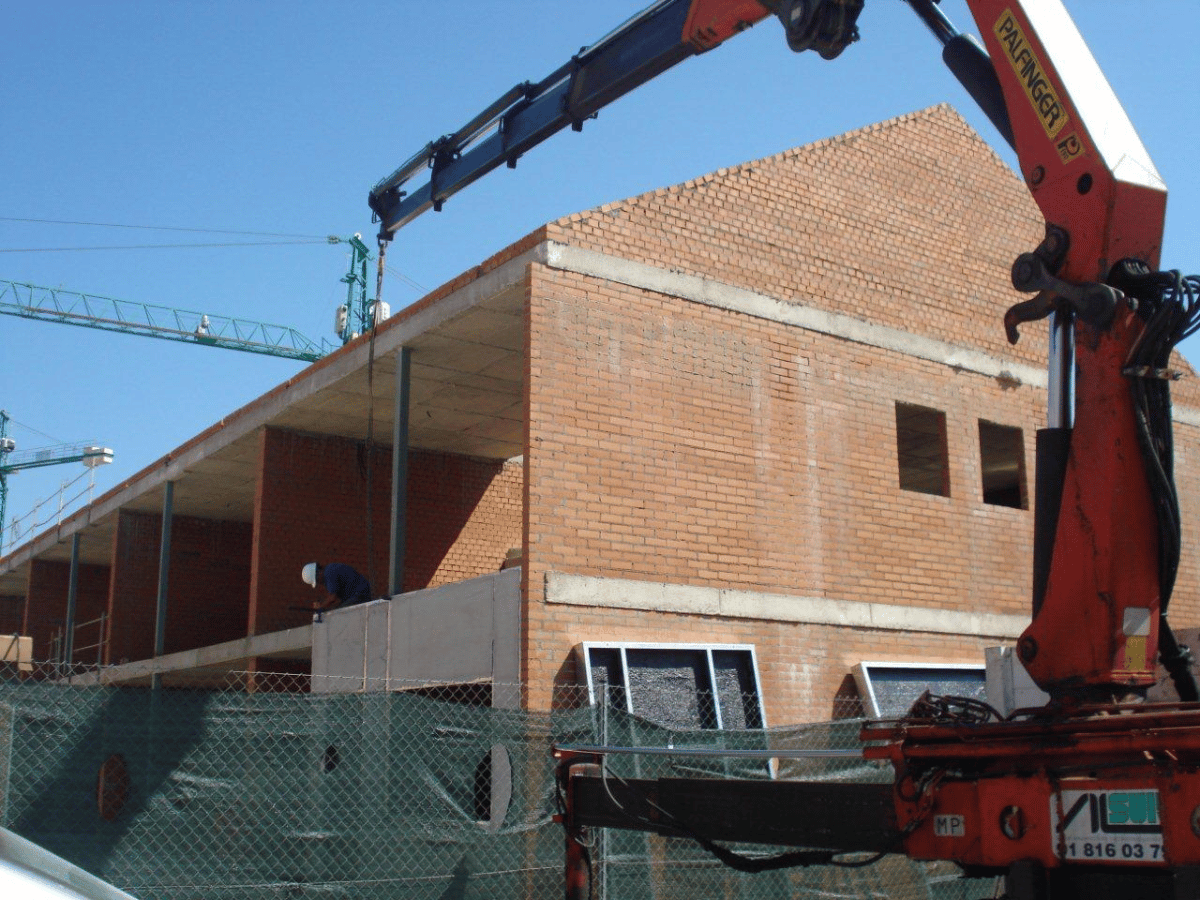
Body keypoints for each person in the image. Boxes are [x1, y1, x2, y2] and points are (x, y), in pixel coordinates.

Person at [301, 562, 372, 610]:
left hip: (359, 594)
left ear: (318, 574)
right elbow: (336, 599)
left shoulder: (329, 573)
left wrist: (321, 607)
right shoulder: (329, 571)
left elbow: (332, 598)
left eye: (317, 581)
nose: (320, 583)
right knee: (338, 610)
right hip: (357, 594)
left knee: (342, 613)